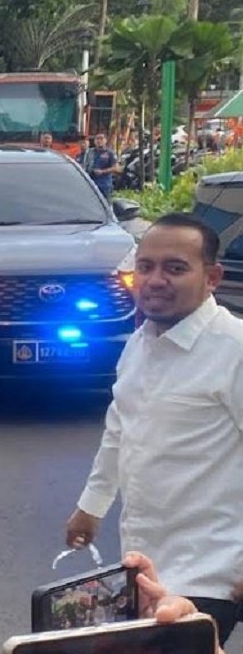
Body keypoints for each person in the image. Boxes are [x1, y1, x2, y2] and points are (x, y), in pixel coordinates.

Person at [66, 213, 243, 646]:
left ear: (212, 276)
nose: (156, 279)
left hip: (213, 572)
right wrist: (92, 504)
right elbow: (119, 430)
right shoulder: (139, 344)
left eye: (176, 268)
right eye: (145, 266)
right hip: (147, 568)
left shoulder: (234, 349)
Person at [84, 133, 118, 198]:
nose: (99, 141)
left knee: (105, 202)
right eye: (97, 139)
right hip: (91, 182)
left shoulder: (110, 153)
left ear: (105, 141)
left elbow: (115, 167)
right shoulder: (90, 152)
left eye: (101, 139)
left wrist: (102, 171)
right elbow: (86, 164)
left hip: (104, 183)